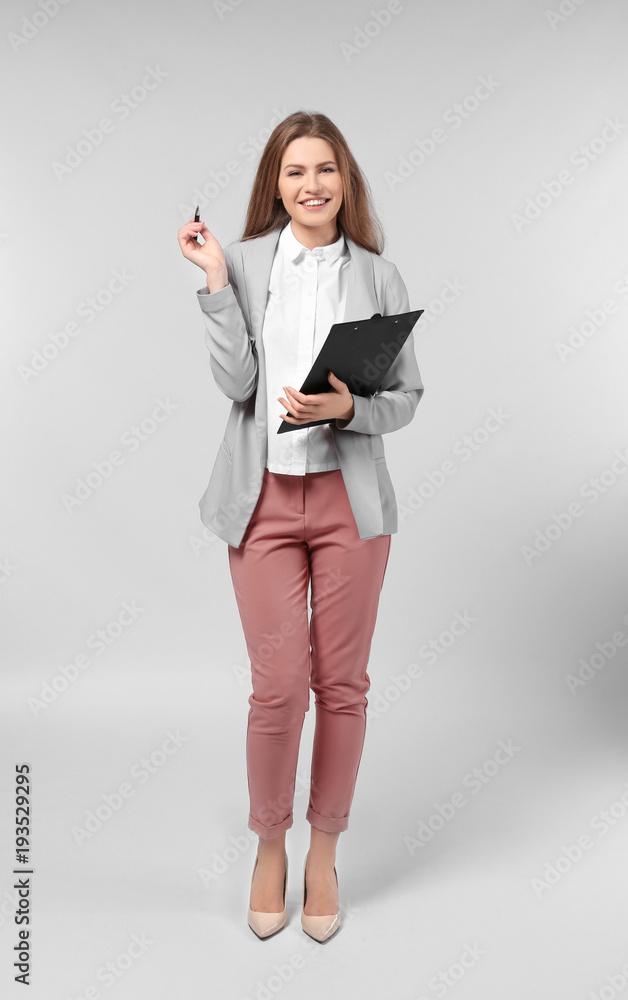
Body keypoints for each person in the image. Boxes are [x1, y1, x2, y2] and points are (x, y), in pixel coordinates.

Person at [177, 110, 424, 942]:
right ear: (274, 184)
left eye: (324, 169)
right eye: (294, 172)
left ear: (344, 179)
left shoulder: (380, 276)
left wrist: (348, 406)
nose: (310, 185)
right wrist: (213, 280)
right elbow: (237, 382)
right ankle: (270, 848)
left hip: (352, 508)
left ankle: (323, 853)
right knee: (278, 688)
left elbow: (405, 400)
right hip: (265, 503)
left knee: (341, 687)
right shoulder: (244, 264)